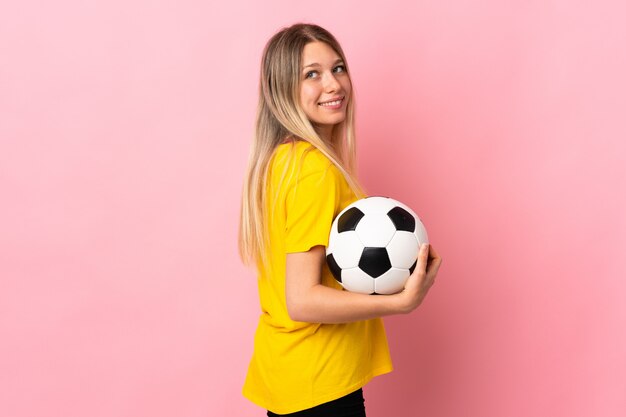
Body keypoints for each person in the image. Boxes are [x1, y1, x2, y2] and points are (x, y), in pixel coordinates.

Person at [238, 23, 442, 417]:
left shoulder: (282, 161)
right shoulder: (313, 170)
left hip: (293, 376)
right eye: (311, 74)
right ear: (283, 91)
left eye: (338, 68)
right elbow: (302, 298)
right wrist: (400, 302)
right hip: (321, 385)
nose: (333, 84)